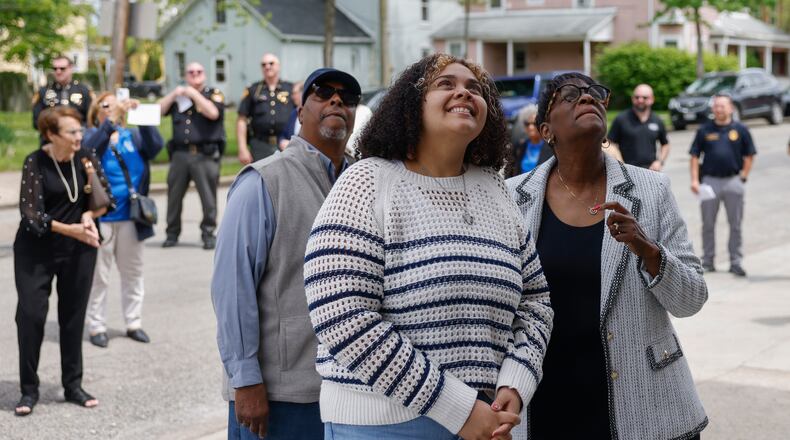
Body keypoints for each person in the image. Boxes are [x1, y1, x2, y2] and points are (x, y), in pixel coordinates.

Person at [303, 54, 552, 440]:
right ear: (410, 105)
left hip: (490, 420)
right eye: (445, 84)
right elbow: (341, 313)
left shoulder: (496, 189)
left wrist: (515, 386)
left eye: (475, 88)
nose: (463, 92)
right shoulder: (367, 181)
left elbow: (535, 303)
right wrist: (458, 408)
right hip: (381, 425)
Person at [507, 73, 708, 440]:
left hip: (643, 402)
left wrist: (649, 251)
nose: (587, 98)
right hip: (547, 398)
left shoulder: (651, 190)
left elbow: (692, 298)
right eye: (570, 95)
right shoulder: (512, 197)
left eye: (595, 93)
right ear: (545, 129)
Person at [211, 67, 361, 440]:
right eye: (323, 92)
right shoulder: (263, 181)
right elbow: (232, 286)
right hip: (280, 394)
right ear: (301, 112)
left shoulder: (366, 181)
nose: (337, 100)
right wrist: (244, 379)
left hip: (354, 392)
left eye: (348, 97)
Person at [14, 106, 112, 416]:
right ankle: (29, 389)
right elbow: (30, 213)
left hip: (79, 250)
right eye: (72, 132)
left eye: (80, 130)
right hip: (36, 249)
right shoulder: (35, 161)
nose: (79, 136)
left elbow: (105, 198)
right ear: (51, 134)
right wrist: (68, 228)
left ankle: (73, 385)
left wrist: (88, 214)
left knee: (73, 318)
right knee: (30, 316)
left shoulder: (86, 156)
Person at [82, 92, 165, 348]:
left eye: (116, 105)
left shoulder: (133, 136)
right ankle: (96, 326)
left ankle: (133, 322)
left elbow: (156, 147)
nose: (113, 109)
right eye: (106, 105)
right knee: (99, 276)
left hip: (132, 216)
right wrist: (110, 121)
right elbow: (89, 149)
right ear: (97, 112)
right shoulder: (90, 135)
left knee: (133, 273)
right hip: (102, 216)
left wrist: (143, 118)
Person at [159, 62, 225, 250]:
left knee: (208, 198)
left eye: (198, 71)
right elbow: (158, 111)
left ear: (204, 74)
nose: (195, 74)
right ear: (186, 75)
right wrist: (174, 94)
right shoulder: (178, 97)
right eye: (191, 72)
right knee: (174, 196)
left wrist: (194, 94)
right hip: (180, 154)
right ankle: (172, 233)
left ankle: (208, 233)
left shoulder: (213, 93)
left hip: (204, 154)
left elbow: (213, 113)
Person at [689, 93, 756, 277]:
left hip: (734, 181)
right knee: (708, 223)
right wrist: (695, 180)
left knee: (735, 224)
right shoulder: (704, 130)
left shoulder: (740, 129)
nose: (719, 109)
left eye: (722, 106)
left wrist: (743, 176)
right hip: (710, 182)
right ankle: (708, 261)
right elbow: (694, 155)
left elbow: (750, 154)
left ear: (731, 108)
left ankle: (736, 261)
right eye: (716, 106)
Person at [237, 53, 295, 163]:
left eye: (271, 63)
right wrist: (242, 148)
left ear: (278, 66)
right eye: (263, 64)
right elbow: (241, 119)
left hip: (286, 144)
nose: (267, 67)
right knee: (261, 178)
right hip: (260, 145)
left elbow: (301, 116)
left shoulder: (290, 89)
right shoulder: (253, 90)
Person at [608, 83, 670, 170]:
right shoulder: (621, 119)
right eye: (637, 97)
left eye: (644, 97)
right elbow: (610, 144)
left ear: (652, 99)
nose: (640, 100)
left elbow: (665, 144)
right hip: (627, 172)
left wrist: (660, 161)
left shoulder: (657, 120)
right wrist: (619, 163)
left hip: (651, 172)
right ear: (632, 99)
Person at [32, 55, 93, 129]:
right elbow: (36, 122)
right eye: (55, 69)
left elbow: (91, 120)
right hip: (52, 137)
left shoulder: (83, 91)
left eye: (62, 68)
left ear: (71, 68)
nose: (58, 71)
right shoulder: (43, 92)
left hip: (79, 136)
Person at [509, 105, 552, 176]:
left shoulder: (551, 147)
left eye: (534, 123)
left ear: (542, 125)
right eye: (527, 124)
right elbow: (510, 171)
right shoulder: (519, 146)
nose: (530, 127)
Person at [277, 80, 304, 149]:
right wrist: (282, 141)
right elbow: (283, 134)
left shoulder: (312, 114)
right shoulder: (293, 114)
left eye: (294, 93)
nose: (292, 97)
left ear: (303, 93)